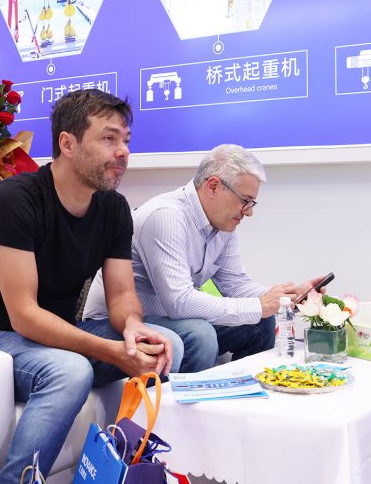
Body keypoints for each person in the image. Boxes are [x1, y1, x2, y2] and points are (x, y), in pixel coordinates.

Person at [0, 89, 183, 483]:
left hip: (59, 337)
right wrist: (111, 351)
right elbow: (24, 316)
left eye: (126, 140)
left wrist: (132, 328)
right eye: (108, 138)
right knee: (71, 371)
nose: (123, 151)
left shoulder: (113, 207)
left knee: (166, 345)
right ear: (68, 143)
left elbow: (122, 295)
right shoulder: (15, 200)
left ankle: (115, 471)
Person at [83, 144, 323, 372]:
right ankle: (187, 402)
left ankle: (243, 393)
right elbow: (179, 303)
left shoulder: (224, 225)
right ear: (214, 186)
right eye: (245, 201)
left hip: (169, 320)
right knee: (200, 334)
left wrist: (290, 298)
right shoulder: (166, 216)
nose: (249, 212)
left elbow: (235, 284)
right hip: (116, 323)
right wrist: (259, 305)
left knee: (261, 322)